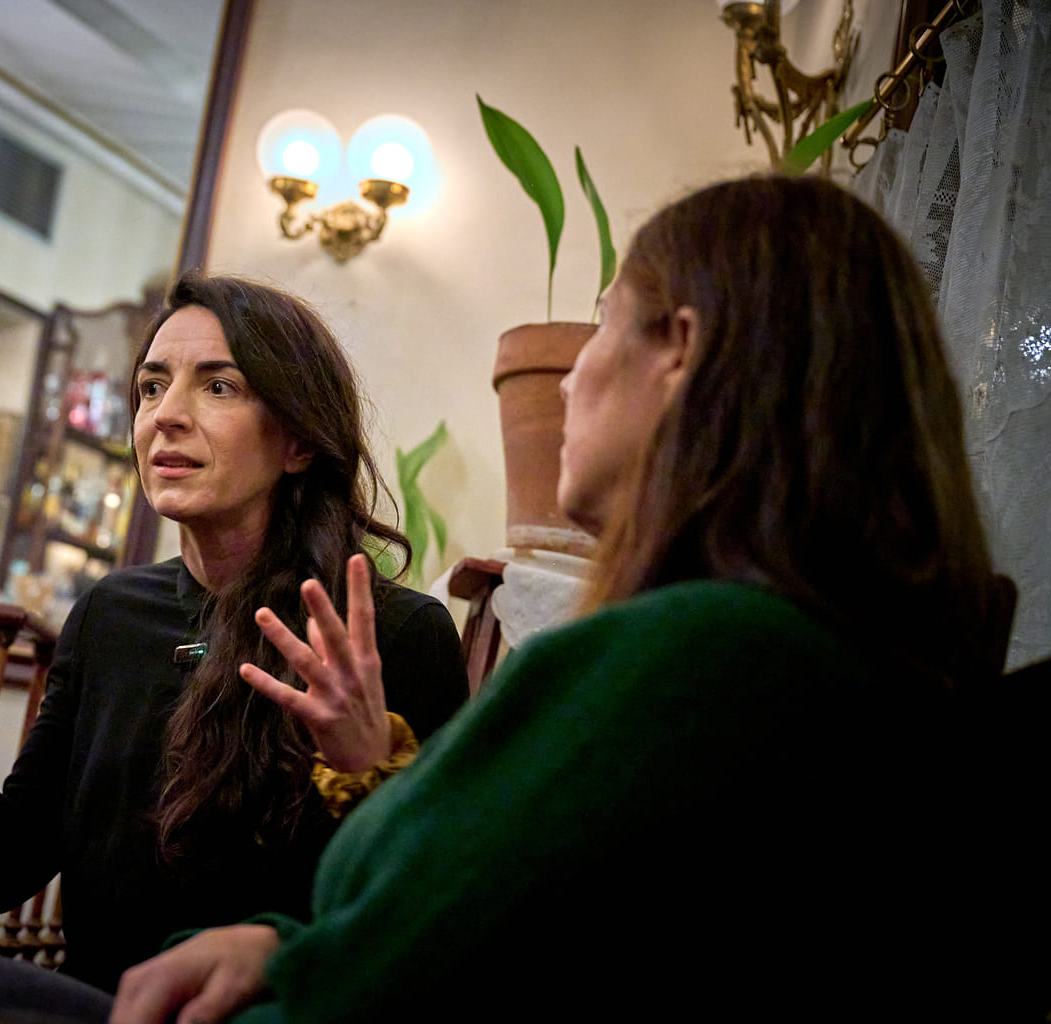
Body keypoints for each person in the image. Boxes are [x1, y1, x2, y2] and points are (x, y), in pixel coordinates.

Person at [106, 174, 1046, 1022]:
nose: (573, 376)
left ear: (679, 351)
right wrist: (291, 942)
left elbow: (412, 954)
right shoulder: (823, 652)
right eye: (150, 387)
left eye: (602, 328)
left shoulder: (690, 652)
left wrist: (294, 946)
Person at [0, 271, 469, 1009]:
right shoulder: (109, 617)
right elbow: (3, 864)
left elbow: (427, 914)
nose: (166, 416)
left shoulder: (393, 635)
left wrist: (367, 766)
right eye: (150, 387)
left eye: (219, 387)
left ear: (298, 441)